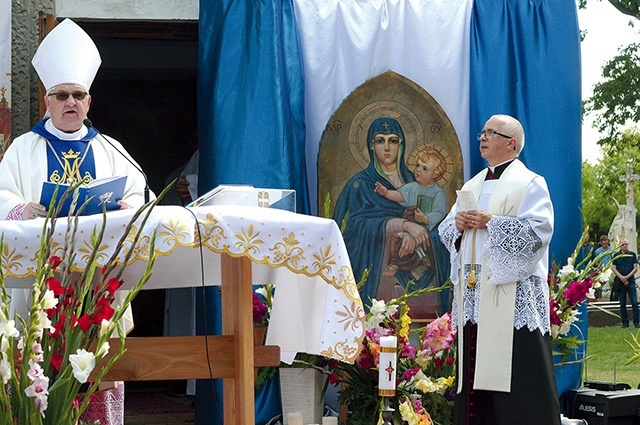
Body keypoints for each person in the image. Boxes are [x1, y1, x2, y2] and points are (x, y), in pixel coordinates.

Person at [0, 19, 150, 424]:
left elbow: (142, 196)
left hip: (95, 286)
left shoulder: (112, 149)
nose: (70, 102)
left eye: (78, 95)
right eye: (61, 94)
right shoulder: (22, 150)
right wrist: (25, 210)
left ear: (89, 101)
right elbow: (2, 198)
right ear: (46, 101)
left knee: (96, 367)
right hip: (38, 290)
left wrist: (124, 208)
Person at [438, 114, 560, 424]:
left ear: (511, 143)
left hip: (511, 297)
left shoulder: (530, 183)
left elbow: (539, 232)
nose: (482, 137)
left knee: (518, 380)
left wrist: (494, 224)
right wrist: (459, 225)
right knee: (476, 385)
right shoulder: (473, 185)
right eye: (482, 132)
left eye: (490, 133)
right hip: (476, 297)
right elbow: (447, 229)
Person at [332, 117, 450, 316]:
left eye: (393, 141)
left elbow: (440, 223)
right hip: (378, 279)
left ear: (401, 145)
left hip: (419, 284)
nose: (387, 148)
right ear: (371, 146)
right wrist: (400, 225)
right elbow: (348, 230)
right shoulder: (360, 184)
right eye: (380, 141)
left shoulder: (420, 182)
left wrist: (419, 232)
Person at [374, 146, 448, 279]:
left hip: (427, 228)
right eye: (417, 166)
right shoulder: (412, 187)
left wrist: (425, 218)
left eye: (424, 168)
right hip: (411, 224)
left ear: (436, 174)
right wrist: (385, 193)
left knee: (427, 244)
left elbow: (439, 213)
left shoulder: (438, 193)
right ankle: (395, 262)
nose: (418, 170)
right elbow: (400, 196)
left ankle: (422, 265)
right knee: (396, 238)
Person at [611, 238, 639, 328]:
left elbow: (635, 267)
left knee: (634, 302)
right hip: (620, 282)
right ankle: (625, 322)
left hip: (630, 281)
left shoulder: (632, 254)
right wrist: (622, 277)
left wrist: (627, 277)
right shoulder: (616, 255)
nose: (624, 246)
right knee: (622, 303)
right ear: (620, 245)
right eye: (623, 244)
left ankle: (636, 321)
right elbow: (614, 268)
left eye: (626, 244)